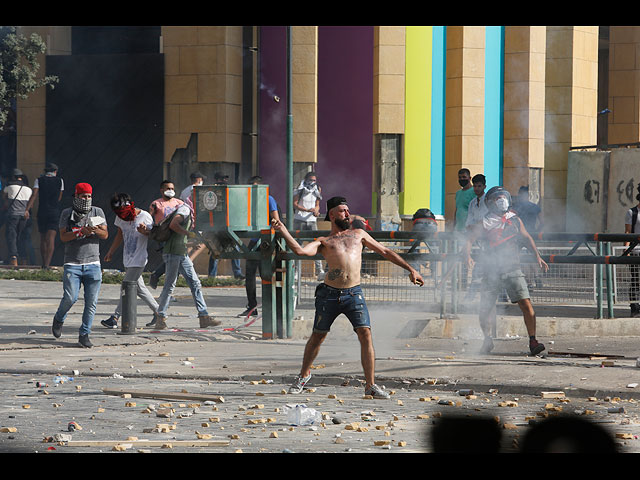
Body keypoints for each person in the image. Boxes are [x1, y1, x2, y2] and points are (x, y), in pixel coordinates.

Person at [272, 196, 424, 399]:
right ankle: (303, 376)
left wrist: (411, 269)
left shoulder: (359, 235)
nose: (347, 213)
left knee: (365, 334)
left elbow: (385, 251)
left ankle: (370, 385)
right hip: (329, 294)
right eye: (343, 210)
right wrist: (282, 230)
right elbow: (300, 251)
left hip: (354, 293)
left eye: (348, 210)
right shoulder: (324, 241)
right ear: (332, 214)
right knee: (318, 336)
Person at [464, 186, 548, 356]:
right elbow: (468, 240)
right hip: (491, 271)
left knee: (526, 304)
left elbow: (526, 237)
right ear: (490, 202)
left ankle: (533, 341)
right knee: (485, 308)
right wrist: (467, 257)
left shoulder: (515, 220)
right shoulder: (484, 223)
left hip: (513, 268)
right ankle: (487, 340)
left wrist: (537, 256)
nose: (501, 200)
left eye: (503, 197)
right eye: (497, 198)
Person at [51, 182, 108, 348]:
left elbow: (105, 234)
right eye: (83, 196)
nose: (87, 199)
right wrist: (79, 232)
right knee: (70, 297)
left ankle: (84, 334)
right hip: (72, 264)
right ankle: (59, 318)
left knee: (91, 302)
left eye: (89, 196)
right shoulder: (67, 213)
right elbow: (63, 237)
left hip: (93, 264)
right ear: (76, 196)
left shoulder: (97, 212)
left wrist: (94, 230)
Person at [151, 198, 220, 330]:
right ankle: (161, 317)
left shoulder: (189, 212)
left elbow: (178, 238)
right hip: (173, 253)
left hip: (181, 252)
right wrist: (189, 234)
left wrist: (190, 242)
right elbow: (173, 225)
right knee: (169, 285)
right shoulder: (185, 209)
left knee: (195, 283)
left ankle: (203, 316)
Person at [101, 193, 160, 329]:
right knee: (139, 289)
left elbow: (154, 236)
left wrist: (145, 231)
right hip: (127, 258)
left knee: (127, 286)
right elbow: (120, 235)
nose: (122, 216)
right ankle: (159, 312)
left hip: (139, 259)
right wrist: (111, 251)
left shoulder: (144, 216)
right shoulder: (120, 217)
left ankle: (115, 318)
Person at [237, 175, 281, 318]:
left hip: (265, 240)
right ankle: (252, 307)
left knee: (266, 275)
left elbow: (276, 219)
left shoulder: (268, 199)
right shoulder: (248, 201)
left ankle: (270, 307)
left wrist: (270, 231)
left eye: (255, 186)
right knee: (249, 274)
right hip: (254, 240)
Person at [25, 163, 64, 269]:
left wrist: (27, 209)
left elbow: (34, 195)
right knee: (50, 238)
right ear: (55, 171)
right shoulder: (60, 181)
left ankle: (43, 263)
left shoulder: (39, 180)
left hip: (42, 211)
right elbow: (59, 197)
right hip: (54, 211)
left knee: (42, 238)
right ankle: (47, 264)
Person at [148, 180, 185, 290]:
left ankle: (158, 277)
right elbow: (149, 218)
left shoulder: (179, 203)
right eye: (168, 188)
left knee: (175, 262)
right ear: (162, 190)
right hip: (163, 235)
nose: (171, 191)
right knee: (172, 261)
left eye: (172, 189)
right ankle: (164, 284)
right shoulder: (156, 204)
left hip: (177, 235)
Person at [208, 172, 244, 279]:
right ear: (216, 179)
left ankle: (237, 273)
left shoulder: (230, 192)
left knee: (235, 250)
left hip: (229, 225)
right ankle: (212, 276)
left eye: (225, 179)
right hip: (216, 227)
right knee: (216, 251)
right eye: (221, 179)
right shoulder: (212, 192)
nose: (224, 181)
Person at [293, 171, 325, 280]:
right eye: (310, 180)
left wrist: (316, 211)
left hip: (312, 220)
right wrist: (307, 210)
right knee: (298, 245)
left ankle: (319, 270)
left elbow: (317, 204)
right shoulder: (300, 189)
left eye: (314, 180)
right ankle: (296, 271)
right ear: (306, 179)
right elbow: (295, 204)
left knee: (316, 244)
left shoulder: (317, 189)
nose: (312, 182)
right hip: (299, 219)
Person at [464, 174, 489, 300]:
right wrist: (474, 226)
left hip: (490, 240)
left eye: (479, 186)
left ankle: (502, 297)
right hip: (477, 240)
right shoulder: (473, 203)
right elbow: (468, 223)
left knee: (496, 270)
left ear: (484, 186)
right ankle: (471, 297)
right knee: (478, 270)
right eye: (475, 186)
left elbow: (488, 221)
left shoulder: (489, 202)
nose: (477, 189)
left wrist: (476, 225)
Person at [2, 169, 32, 266]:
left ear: (13, 177)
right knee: (21, 237)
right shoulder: (28, 189)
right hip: (23, 217)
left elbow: (4, 199)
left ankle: (13, 258)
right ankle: (23, 259)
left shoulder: (9, 187)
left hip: (12, 215)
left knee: (11, 236)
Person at [624, 185, 640, 317]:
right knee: (636, 279)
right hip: (636, 251)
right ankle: (634, 307)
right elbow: (628, 232)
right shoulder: (632, 212)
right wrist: (626, 250)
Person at [454, 168, 476, 233]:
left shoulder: (474, 192)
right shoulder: (458, 193)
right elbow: (457, 209)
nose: (462, 179)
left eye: (464, 177)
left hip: (468, 229)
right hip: (458, 229)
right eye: (460, 177)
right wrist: (453, 226)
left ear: (469, 178)